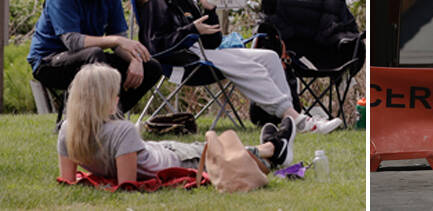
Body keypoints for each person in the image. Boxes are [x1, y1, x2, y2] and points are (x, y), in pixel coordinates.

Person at [134, 0, 342, 134]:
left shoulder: (183, 1)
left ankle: (289, 118)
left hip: (204, 52)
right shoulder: (155, 3)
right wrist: (191, 30)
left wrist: (209, 10)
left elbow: (212, 41)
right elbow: (157, 46)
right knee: (253, 68)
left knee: (269, 57)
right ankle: (301, 121)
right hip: (183, 62)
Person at [57, 64, 295, 184]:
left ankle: (270, 149)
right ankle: (274, 149)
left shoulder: (69, 129)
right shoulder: (122, 130)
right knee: (218, 151)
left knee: (209, 146)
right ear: (102, 100)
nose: (118, 99)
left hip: (158, 152)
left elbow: (68, 179)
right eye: (113, 94)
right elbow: (127, 184)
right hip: (175, 161)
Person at [28, 0, 162, 113]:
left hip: (90, 58)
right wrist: (116, 40)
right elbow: (73, 42)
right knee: (96, 55)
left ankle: (113, 115)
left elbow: (119, 43)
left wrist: (135, 60)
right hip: (48, 62)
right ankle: (91, 119)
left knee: (152, 66)